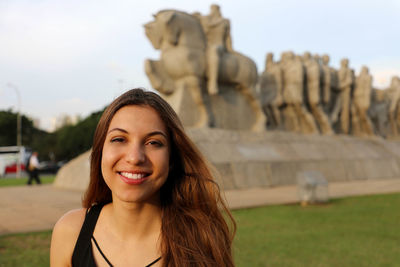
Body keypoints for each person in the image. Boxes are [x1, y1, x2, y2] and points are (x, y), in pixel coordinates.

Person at [50, 88, 236, 266]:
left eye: (154, 142)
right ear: (100, 152)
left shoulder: (202, 237)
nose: (135, 157)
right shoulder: (70, 232)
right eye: (119, 139)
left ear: (172, 158)